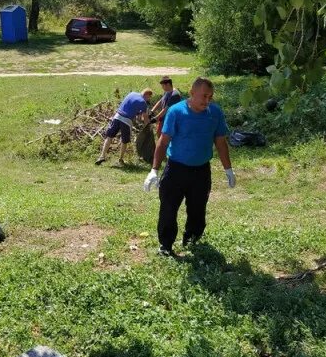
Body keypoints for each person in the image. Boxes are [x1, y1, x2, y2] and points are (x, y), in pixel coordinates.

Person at [143, 77, 235, 256]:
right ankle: (166, 245)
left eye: (210, 97)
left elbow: (220, 142)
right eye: (204, 96)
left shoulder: (215, 113)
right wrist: (154, 170)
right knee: (168, 208)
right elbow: (163, 142)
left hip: (201, 171)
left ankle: (192, 240)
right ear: (192, 93)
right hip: (176, 169)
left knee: (198, 209)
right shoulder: (176, 112)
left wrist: (228, 169)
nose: (207, 101)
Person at [96, 88, 153, 166]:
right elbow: (144, 118)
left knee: (109, 137)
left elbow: (130, 107)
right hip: (126, 121)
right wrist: (148, 126)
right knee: (124, 141)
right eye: (149, 97)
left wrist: (137, 114)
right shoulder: (143, 102)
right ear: (147, 95)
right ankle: (120, 159)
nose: (148, 99)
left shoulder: (132, 93)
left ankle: (101, 156)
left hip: (117, 116)